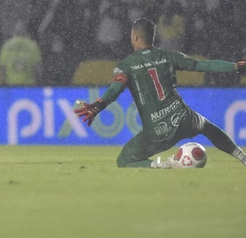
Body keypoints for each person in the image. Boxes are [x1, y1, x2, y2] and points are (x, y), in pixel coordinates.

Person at [74, 18, 246, 168]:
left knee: (124, 160)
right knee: (207, 127)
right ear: (153, 37)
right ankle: (242, 157)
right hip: (184, 119)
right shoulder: (169, 55)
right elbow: (202, 65)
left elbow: (115, 89)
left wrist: (98, 106)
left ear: (134, 37)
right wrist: (235, 66)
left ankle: (165, 165)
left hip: (156, 132)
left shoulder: (126, 65)